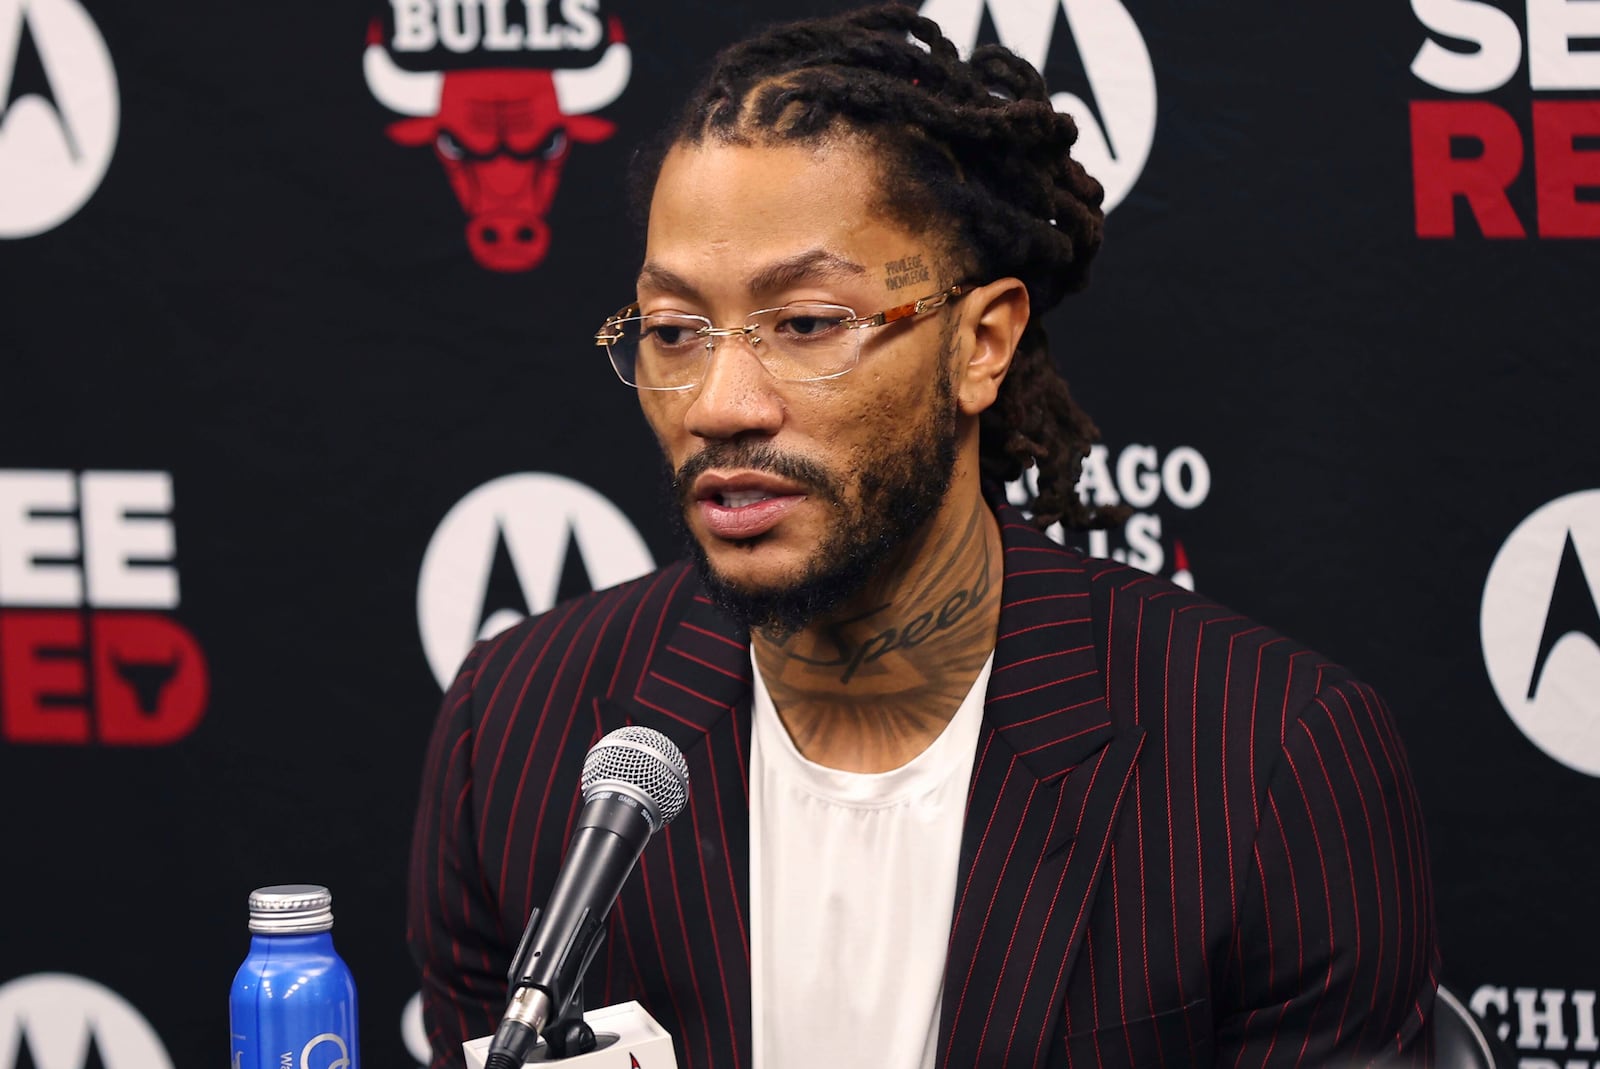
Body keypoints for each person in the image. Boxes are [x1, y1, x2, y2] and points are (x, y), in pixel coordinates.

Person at [407, 6, 1440, 1067]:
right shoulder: (517, 732)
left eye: (805, 323)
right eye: (674, 332)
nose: (718, 404)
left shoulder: (1269, 756)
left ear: (980, 343)